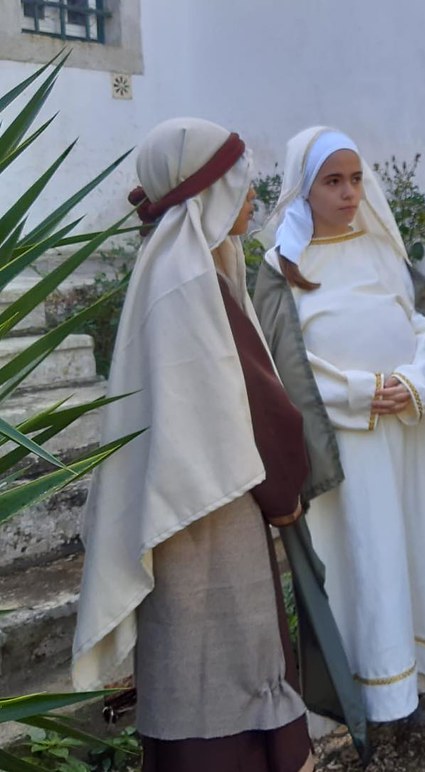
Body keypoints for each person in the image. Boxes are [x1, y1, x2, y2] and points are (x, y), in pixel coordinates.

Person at [72, 118, 314, 772]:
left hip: (183, 510)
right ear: (204, 191)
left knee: (189, 664)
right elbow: (263, 412)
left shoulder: (168, 278)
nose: (253, 196)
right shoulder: (193, 286)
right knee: (225, 672)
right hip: (213, 517)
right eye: (240, 182)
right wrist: (287, 493)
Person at [252, 127, 425, 724]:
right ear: (304, 188)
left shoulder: (382, 251)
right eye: (333, 181)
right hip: (349, 450)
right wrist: (360, 394)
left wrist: (416, 383)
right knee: (368, 560)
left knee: (419, 551)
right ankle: (373, 689)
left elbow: (424, 332)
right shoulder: (282, 269)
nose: (350, 192)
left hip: (408, 436)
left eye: (355, 178)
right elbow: (283, 367)